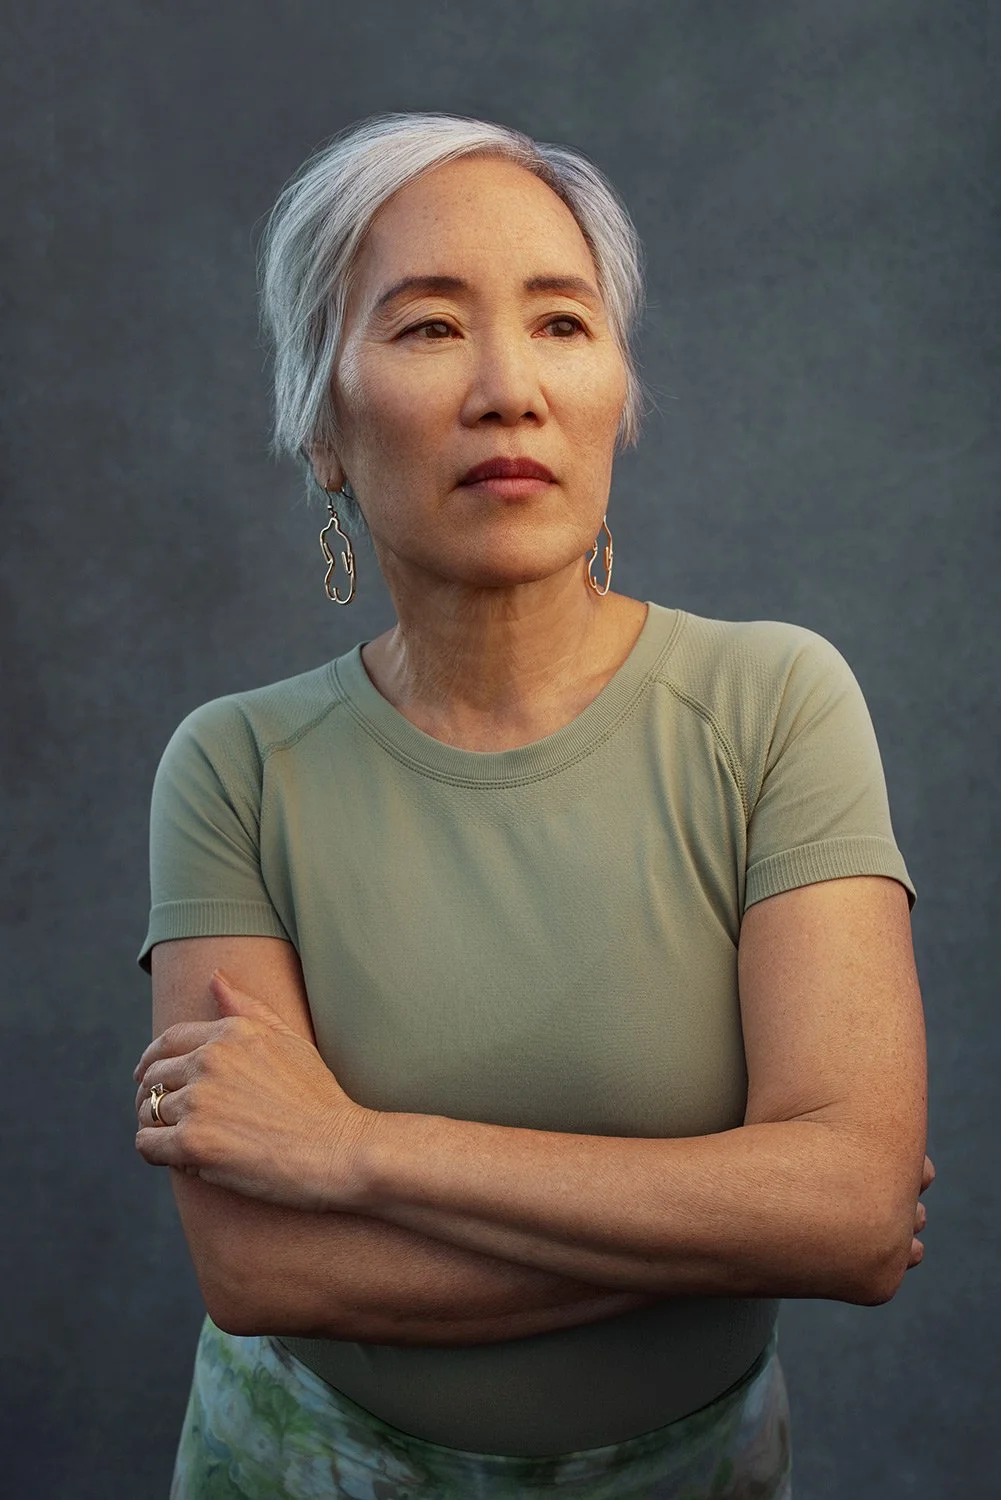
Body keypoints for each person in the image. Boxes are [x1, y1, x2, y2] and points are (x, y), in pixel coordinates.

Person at [133, 111, 933, 1499]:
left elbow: (854, 1217)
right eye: (430, 327)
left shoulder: (774, 705)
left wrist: (357, 1153)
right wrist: (733, 1217)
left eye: (562, 323)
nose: (510, 387)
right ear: (322, 424)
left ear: (618, 393)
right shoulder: (235, 769)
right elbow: (259, 1266)